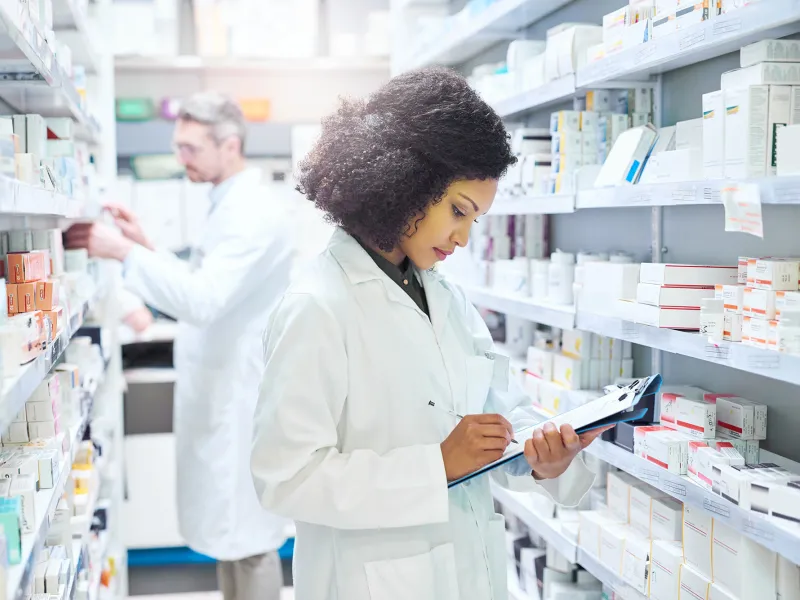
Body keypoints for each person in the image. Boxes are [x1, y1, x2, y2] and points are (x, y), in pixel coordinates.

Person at [250, 67, 608, 600]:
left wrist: (544, 453)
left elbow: (499, 410)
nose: (463, 237)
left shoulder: (444, 296)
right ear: (401, 183)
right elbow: (286, 477)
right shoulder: (318, 306)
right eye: (457, 211)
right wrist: (436, 465)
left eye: (475, 220)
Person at [66, 92, 292, 600]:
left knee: (249, 538)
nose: (180, 159)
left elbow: (204, 299)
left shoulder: (253, 210)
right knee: (231, 537)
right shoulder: (230, 203)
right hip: (222, 387)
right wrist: (144, 246)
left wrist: (121, 251)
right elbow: (204, 278)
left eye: (190, 149)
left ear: (229, 144)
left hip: (241, 395)